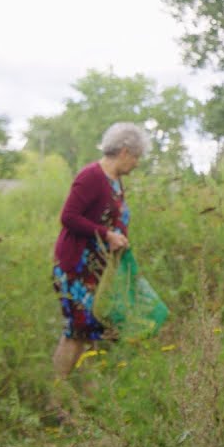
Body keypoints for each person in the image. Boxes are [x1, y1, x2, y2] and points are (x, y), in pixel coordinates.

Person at [51, 122, 148, 379]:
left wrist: (119, 239)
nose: (137, 163)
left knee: (94, 333)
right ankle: (58, 397)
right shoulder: (91, 176)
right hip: (76, 268)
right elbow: (68, 217)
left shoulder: (115, 181)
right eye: (136, 156)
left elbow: (112, 218)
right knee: (77, 333)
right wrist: (107, 234)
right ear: (125, 151)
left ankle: (92, 399)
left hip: (97, 270)